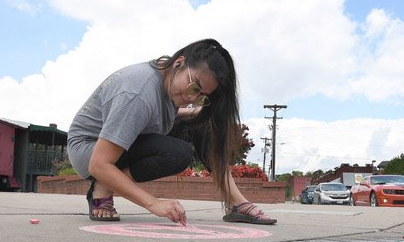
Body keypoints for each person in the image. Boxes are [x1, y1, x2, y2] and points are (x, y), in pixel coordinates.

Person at [67, 39, 276, 225]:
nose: (193, 98)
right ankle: (103, 186)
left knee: (203, 124)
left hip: (124, 142)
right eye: (195, 88)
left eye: (202, 96)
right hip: (89, 150)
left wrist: (203, 115)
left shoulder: (167, 76)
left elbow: (172, 113)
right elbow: (98, 163)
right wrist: (153, 203)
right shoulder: (137, 94)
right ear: (179, 63)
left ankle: (237, 203)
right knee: (177, 152)